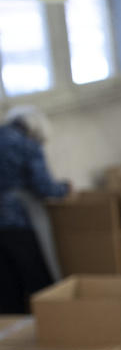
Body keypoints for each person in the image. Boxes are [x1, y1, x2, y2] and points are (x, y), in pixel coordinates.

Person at [0, 107, 69, 313]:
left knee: (7, 286)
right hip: (18, 220)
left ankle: (13, 334)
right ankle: (52, 325)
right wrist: (64, 188)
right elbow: (44, 187)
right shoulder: (27, 145)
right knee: (37, 277)